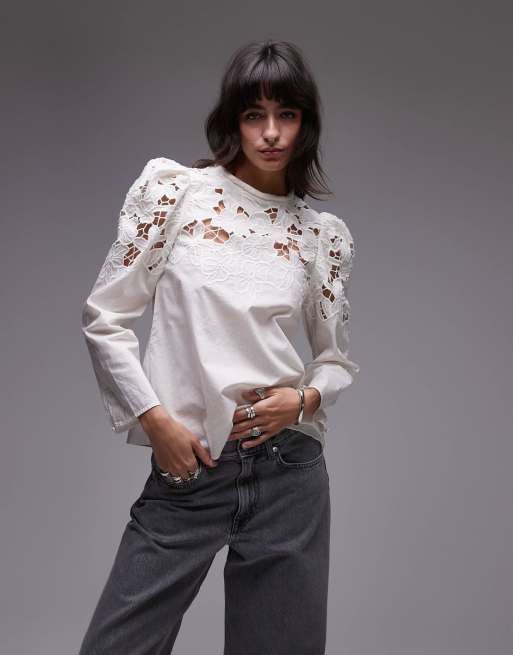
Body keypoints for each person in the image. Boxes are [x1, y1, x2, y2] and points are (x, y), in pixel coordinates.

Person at [78, 39, 361, 655]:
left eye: (287, 115)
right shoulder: (177, 194)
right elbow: (104, 317)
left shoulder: (320, 237)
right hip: (192, 465)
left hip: (289, 471)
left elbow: (335, 361)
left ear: (306, 124)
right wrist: (155, 421)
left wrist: (303, 400)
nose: (271, 133)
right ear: (233, 120)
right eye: (255, 115)